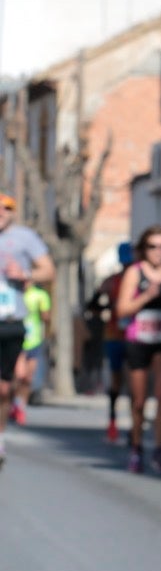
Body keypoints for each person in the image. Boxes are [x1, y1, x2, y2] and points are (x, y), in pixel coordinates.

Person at [116, 226, 161, 474]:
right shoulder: (134, 274)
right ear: (144, 249)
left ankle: (160, 447)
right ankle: (136, 446)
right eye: (153, 247)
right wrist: (146, 296)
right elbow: (122, 309)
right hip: (139, 339)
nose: (159, 252)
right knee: (139, 399)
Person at [0, 193, 56, 468]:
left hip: (12, 320)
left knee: (5, 386)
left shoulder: (25, 238)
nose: (0, 211)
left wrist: (25, 275)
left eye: (6, 208)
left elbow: (49, 271)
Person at [84, 247, 130, 443]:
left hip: (136, 336)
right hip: (115, 335)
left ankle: (133, 425)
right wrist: (111, 308)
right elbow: (92, 306)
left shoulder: (142, 279)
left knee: (133, 381)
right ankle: (113, 421)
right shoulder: (111, 281)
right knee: (117, 380)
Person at [14, 281, 50, 419]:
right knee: (19, 374)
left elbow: (46, 317)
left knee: (29, 377)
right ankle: (14, 401)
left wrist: (44, 314)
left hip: (34, 339)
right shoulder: (16, 293)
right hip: (19, 339)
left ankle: (21, 405)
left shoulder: (40, 295)